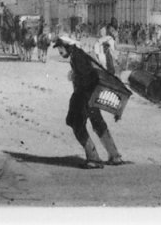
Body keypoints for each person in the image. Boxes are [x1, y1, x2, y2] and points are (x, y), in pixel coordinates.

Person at [53, 34, 124, 169]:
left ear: (67, 46)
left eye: (60, 48)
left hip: (84, 96)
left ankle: (94, 158)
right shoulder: (77, 54)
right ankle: (115, 156)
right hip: (91, 96)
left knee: (76, 123)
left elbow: (87, 77)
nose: (59, 51)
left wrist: (75, 78)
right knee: (98, 124)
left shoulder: (77, 56)